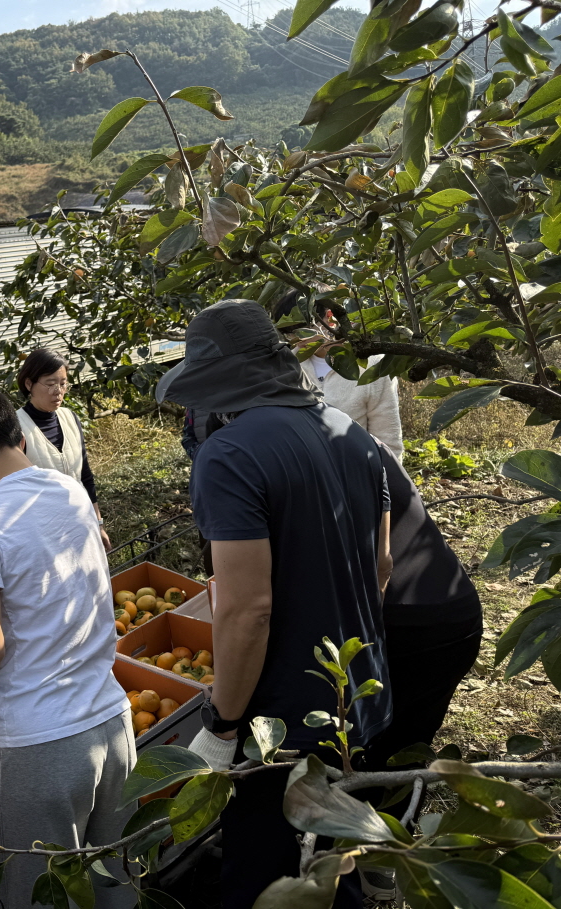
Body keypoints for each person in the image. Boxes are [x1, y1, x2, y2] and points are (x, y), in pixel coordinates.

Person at [155, 299, 393, 909]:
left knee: (264, 883)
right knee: (336, 868)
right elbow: (381, 568)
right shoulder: (356, 437)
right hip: (358, 700)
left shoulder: (230, 455)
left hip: (279, 729)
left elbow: (246, 610)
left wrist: (224, 722)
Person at [0, 384, 133, 909]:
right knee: (115, 887)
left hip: (41, 742)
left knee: (39, 896)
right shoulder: (68, 490)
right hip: (112, 723)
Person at [352, 441, 483, 899]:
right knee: (407, 745)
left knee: (370, 749)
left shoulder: (299, 453)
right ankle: (386, 865)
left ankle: (365, 861)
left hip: (403, 619)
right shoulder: (355, 440)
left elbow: (378, 566)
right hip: (457, 609)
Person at [274, 293, 404, 458]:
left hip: (356, 473)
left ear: (330, 317)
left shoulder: (373, 367)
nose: (296, 339)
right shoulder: (286, 366)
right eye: (289, 334)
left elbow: (388, 439)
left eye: (301, 330)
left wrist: (386, 480)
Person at [15, 348, 109, 549]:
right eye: (50, 384)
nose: (58, 390)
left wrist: (98, 523)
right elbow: (13, 491)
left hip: (80, 521)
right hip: (42, 532)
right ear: (29, 384)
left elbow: (85, 475)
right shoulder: (15, 426)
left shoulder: (70, 418)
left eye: (63, 383)